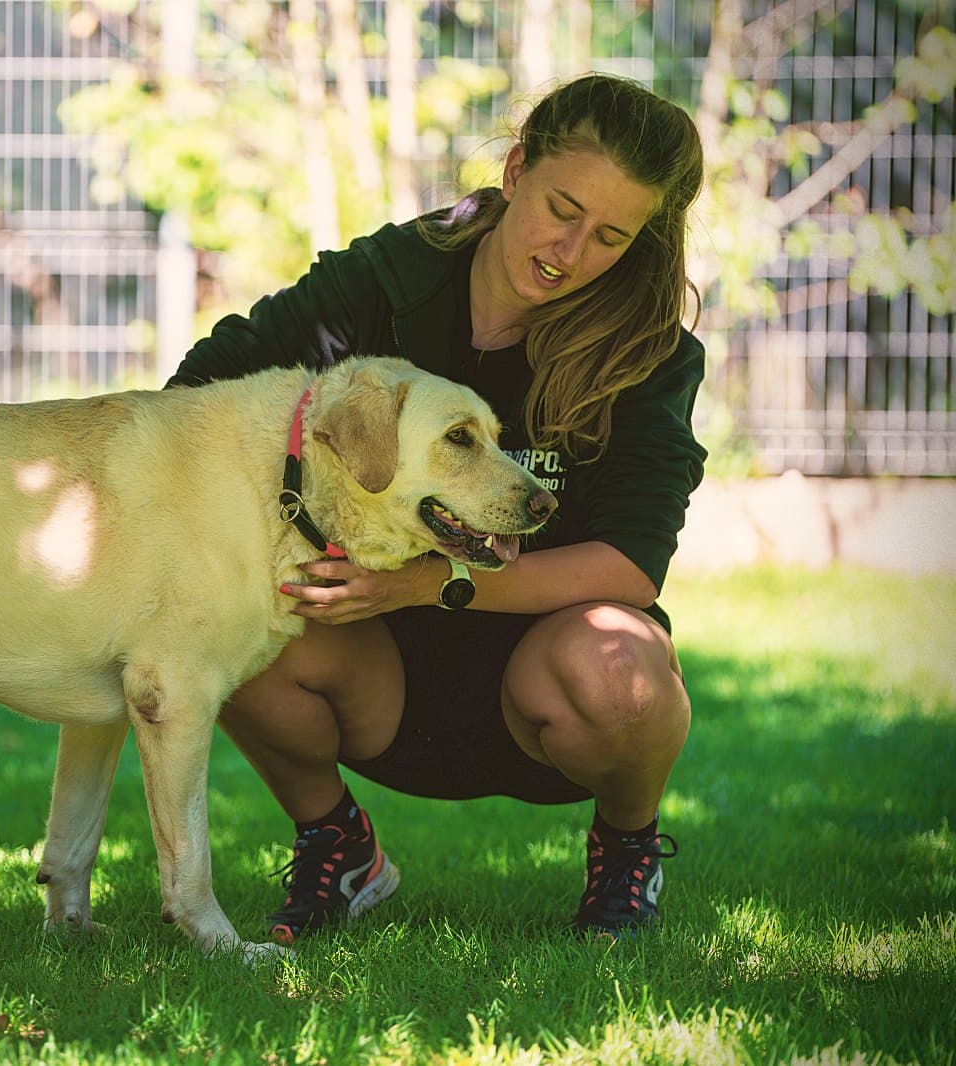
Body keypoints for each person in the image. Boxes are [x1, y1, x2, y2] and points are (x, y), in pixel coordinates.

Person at [166, 73, 707, 941]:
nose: (570, 251)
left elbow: (631, 567)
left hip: (553, 666)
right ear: (517, 169)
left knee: (626, 677)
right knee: (220, 614)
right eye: (562, 209)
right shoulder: (389, 279)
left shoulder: (649, 349)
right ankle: (336, 842)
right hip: (373, 661)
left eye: (610, 236)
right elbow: (199, 396)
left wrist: (426, 581)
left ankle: (626, 850)